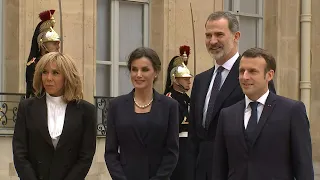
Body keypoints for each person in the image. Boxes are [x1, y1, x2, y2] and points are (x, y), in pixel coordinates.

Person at [187, 11, 276, 180]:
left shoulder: (253, 76)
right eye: (208, 35)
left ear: (236, 36)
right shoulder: (200, 80)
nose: (213, 41)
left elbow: (266, 126)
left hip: (238, 171)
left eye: (219, 34)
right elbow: (194, 136)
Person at [212, 47, 314, 180]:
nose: (245, 77)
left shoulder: (292, 111)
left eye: (252, 71)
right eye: (242, 71)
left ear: (269, 75)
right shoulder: (227, 115)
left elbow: (303, 166)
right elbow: (220, 168)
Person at [13, 52, 97, 180]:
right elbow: (20, 153)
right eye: (44, 72)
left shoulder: (86, 111)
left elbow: (85, 157)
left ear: (68, 77)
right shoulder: (27, 108)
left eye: (55, 73)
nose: (48, 78)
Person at [105, 47, 179, 180]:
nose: (138, 74)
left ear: (155, 72)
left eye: (145, 69)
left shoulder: (170, 106)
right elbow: (110, 153)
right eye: (134, 69)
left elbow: (172, 152)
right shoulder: (116, 106)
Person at [164, 56, 192, 180]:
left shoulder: (187, 98)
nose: (189, 81)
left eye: (189, 78)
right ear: (175, 80)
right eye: (185, 79)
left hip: (189, 144)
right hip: (177, 144)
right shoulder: (170, 98)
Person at [26, 9, 61, 98]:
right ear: (42, 45)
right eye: (54, 43)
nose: (58, 46)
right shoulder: (34, 64)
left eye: (58, 43)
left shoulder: (60, 63)